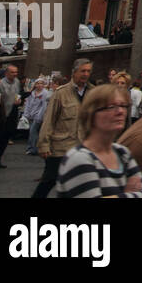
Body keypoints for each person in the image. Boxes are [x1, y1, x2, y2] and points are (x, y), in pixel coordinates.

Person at [54, 83, 142, 198]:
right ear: (91, 114)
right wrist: (130, 194)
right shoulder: (80, 158)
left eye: (123, 106)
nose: (120, 111)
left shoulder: (122, 152)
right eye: (111, 107)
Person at [33, 58, 92, 198]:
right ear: (74, 72)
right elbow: (49, 120)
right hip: (61, 147)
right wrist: (44, 145)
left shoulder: (93, 93)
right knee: (48, 181)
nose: (86, 74)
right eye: (83, 71)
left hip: (83, 148)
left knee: (77, 184)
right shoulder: (61, 93)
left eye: (88, 71)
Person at [23, 77, 51, 155]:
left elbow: (44, 106)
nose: (39, 85)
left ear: (44, 85)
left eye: (41, 83)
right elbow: (28, 104)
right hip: (31, 115)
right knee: (33, 132)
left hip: (38, 116)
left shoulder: (45, 93)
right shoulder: (32, 93)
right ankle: (35, 148)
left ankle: (32, 149)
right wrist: (26, 114)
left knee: (33, 132)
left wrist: (39, 117)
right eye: (38, 83)